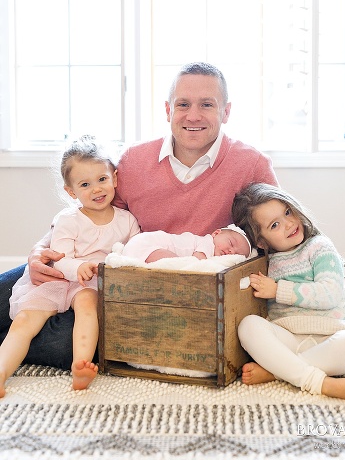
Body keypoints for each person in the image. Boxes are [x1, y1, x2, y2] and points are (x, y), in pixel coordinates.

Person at [0, 62, 279, 371]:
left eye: (207, 105)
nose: (193, 115)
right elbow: (92, 214)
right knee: (5, 297)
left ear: (226, 112)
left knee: (64, 343)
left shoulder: (252, 165)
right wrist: (41, 249)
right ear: (167, 110)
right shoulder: (134, 160)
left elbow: (277, 237)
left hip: (150, 297)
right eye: (183, 104)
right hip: (89, 266)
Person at [0, 136, 140, 396]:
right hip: (58, 279)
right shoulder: (68, 218)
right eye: (85, 184)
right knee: (25, 319)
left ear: (115, 178)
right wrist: (78, 267)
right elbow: (59, 257)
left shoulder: (127, 221)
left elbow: (130, 254)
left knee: (88, 306)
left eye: (102, 179)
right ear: (71, 191)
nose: (96, 189)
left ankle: (81, 365)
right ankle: (2, 371)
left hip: (90, 285)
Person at [232, 183, 345, 403]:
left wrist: (278, 290)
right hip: (289, 337)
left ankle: (277, 372)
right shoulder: (264, 262)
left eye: (287, 212)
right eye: (275, 225)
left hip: (332, 332)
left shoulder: (319, 247)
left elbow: (331, 293)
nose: (288, 224)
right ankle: (318, 381)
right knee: (248, 325)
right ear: (261, 241)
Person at [121, 224, 252, 263]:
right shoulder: (207, 243)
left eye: (236, 254)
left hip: (139, 244)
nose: (231, 251)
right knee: (177, 266)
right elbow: (196, 264)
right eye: (231, 243)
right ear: (216, 233)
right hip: (147, 245)